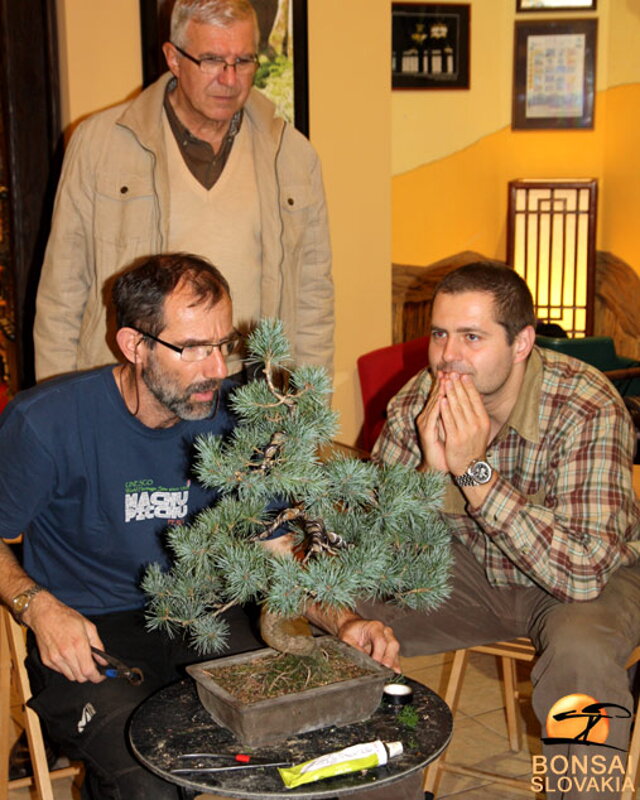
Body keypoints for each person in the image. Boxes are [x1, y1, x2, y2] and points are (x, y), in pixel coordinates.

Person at [1, 252, 396, 800]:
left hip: (210, 617)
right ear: (134, 346)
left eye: (223, 344)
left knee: (313, 735)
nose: (216, 369)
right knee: (149, 768)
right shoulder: (47, 423)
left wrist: (345, 621)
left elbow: (276, 552)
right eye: (191, 348)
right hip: (91, 630)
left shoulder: (241, 418)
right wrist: (37, 607)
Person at [357, 262, 640, 799]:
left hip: (593, 580)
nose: (448, 356)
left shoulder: (587, 403)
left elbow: (582, 572)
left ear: (522, 342)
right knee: (353, 624)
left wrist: (475, 472)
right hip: (473, 574)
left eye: (472, 337)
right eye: (439, 335)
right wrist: (429, 474)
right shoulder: (420, 398)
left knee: (580, 657)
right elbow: (371, 555)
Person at [33, 0, 333, 381]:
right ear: (173, 58)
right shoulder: (99, 145)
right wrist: (57, 413)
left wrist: (307, 410)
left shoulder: (292, 156)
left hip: (247, 399)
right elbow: (62, 294)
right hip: (133, 392)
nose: (229, 79)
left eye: (243, 61)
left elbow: (313, 300)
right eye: (211, 60)